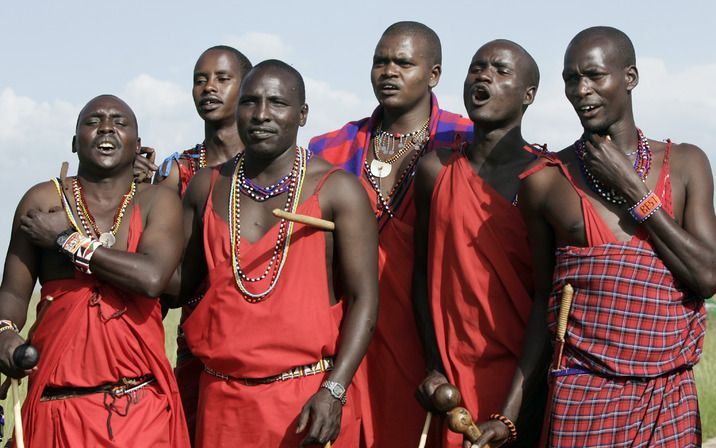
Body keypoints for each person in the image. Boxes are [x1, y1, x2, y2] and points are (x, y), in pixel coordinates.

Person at [475, 26, 716, 448]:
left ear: (630, 78)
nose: (581, 90)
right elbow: (542, 304)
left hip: (668, 396)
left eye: (594, 75)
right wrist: (509, 414)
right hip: (583, 398)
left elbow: (708, 276)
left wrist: (635, 193)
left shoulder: (686, 164)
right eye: (571, 79)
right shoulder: (546, 182)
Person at [176, 60, 379, 447]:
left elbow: (364, 299)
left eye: (277, 103)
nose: (262, 114)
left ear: (302, 115)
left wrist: (334, 391)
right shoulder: (207, 186)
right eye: (250, 102)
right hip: (223, 403)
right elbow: (173, 288)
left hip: (307, 401)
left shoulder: (339, 191)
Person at [308, 21, 472, 447]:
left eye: (403, 62)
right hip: (347, 334)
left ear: (434, 74)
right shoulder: (330, 149)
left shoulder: (466, 141)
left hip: (433, 335)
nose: (389, 72)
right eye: (380, 62)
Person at [0, 95, 190, 447]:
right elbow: (12, 294)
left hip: (140, 410)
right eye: (93, 121)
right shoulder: (41, 201)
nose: (106, 128)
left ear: (137, 144)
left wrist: (65, 240)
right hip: (55, 410)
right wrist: (5, 333)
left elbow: (151, 278)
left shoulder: (157, 202)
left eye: (119, 122)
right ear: (74, 142)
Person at [412, 40, 545, 448]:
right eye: (476, 68)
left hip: (523, 373)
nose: (483, 76)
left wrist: (511, 411)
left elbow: (548, 297)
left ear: (528, 95)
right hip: (452, 376)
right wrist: (434, 366)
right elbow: (421, 273)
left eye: (500, 70)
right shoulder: (436, 168)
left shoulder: (545, 179)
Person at [148, 45, 251, 444]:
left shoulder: (275, 166)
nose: (209, 87)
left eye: (222, 79)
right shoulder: (178, 171)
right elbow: (160, 261)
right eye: (200, 79)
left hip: (266, 330)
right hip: (199, 339)